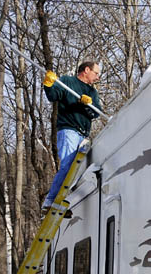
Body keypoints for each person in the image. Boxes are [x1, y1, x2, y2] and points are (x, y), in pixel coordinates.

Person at [40, 61, 102, 214]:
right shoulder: (68, 82)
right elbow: (53, 95)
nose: (98, 77)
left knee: (79, 171)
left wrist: (88, 105)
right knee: (68, 164)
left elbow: (96, 112)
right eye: (96, 73)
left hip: (83, 133)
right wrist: (48, 84)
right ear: (86, 70)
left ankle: (64, 201)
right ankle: (50, 201)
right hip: (69, 129)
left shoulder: (92, 92)